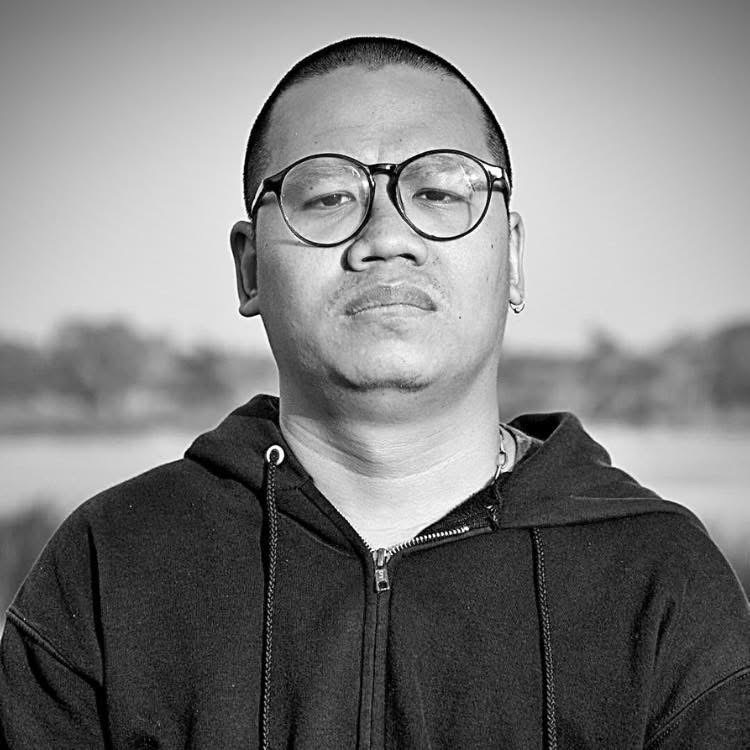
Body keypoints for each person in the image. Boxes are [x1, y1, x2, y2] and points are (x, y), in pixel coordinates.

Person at [1, 36, 748, 750]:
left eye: (439, 191)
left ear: (514, 257)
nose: (387, 237)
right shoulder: (112, 564)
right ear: (250, 268)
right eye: (327, 197)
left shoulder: (660, 577)